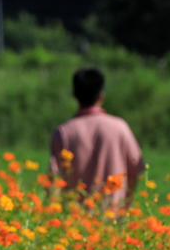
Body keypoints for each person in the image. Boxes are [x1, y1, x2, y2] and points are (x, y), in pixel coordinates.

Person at [50, 68, 146, 209]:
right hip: (112, 214)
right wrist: (125, 207)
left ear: (74, 95)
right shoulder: (120, 127)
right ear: (101, 96)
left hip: (74, 220)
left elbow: (54, 180)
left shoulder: (64, 132)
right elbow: (134, 172)